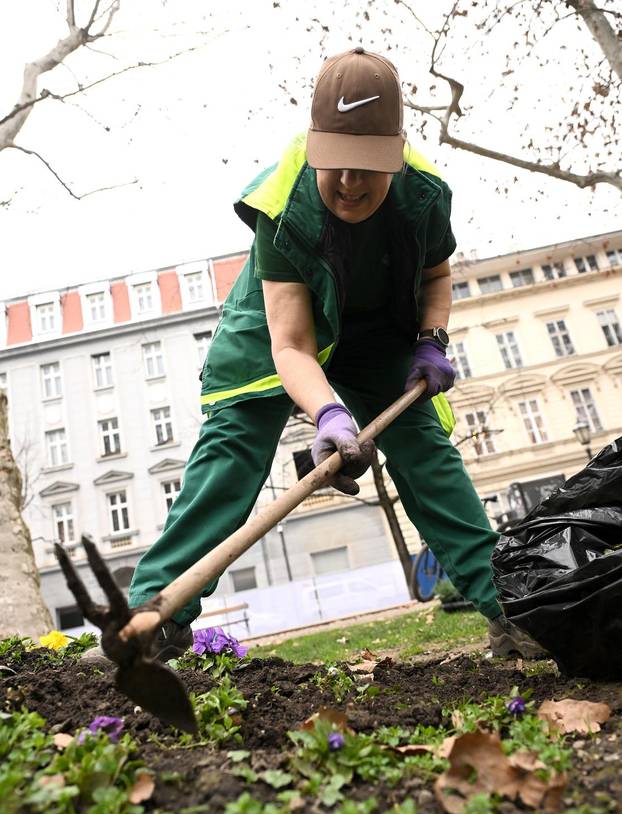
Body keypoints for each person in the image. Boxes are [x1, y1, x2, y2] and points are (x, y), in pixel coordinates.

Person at [98, 48, 545, 661]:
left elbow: (436, 275)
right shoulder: (283, 206)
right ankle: (153, 617)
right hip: (278, 326)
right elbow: (292, 345)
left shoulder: (423, 195)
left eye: (367, 166)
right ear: (313, 144)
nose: (350, 182)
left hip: (373, 329)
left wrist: (431, 339)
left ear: (395, 151)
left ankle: (513, 610)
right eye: (335, 162)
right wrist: (330, 415)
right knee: (231, 453)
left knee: (425, 452)